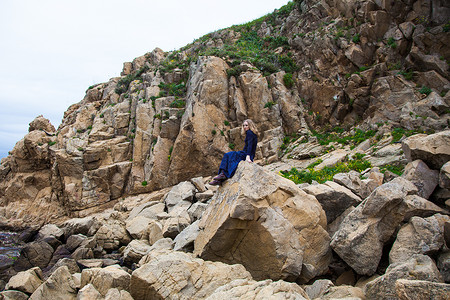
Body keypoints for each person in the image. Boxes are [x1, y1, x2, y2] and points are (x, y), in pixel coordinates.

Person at [209, 119, 258, 185]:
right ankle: (221, 176)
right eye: (243, 125)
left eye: (246, 125)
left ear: (250, 125)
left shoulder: (249, 133)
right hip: (247, 154)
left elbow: (250, 146)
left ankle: (222, 175)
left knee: (227, 155)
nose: (245, 127)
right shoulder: (253, 133)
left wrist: (248, 157)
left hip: (246, 155)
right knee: (231, 157)